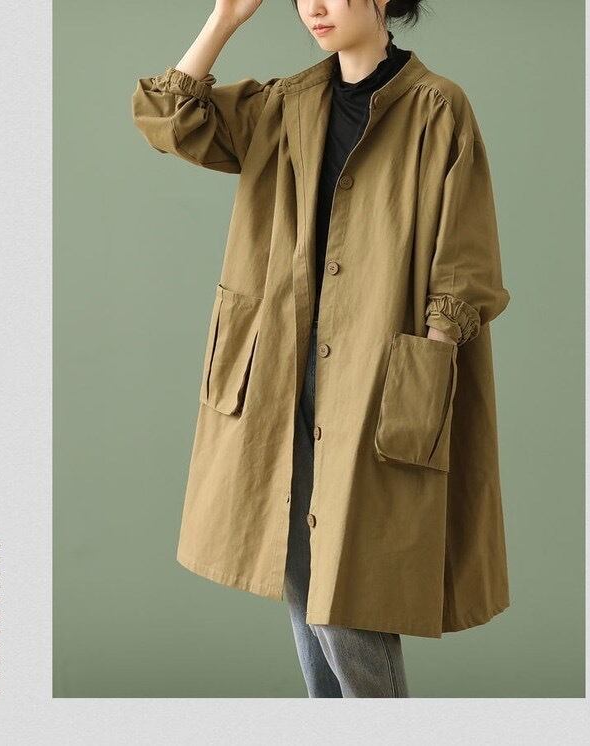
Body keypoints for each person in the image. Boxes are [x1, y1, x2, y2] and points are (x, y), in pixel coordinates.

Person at [132, 0, 511, 699]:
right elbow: (168, 117)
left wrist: (425, 369)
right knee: (301, 578)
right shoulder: (284, 104)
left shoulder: (436, 108)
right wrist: (225, 18)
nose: (314, 5)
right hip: (279, 373)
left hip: (376, 377)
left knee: (348, 595)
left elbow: (466, 263)